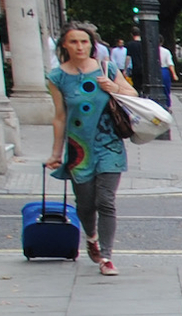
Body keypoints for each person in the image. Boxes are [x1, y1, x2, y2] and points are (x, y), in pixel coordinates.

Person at [46, 20, 132, 276]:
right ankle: (91, 238)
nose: (80, 46)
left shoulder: (107, 68)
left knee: (106, 201)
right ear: (64, 45)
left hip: (109, 144)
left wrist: (113, 87)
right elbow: (60, 116)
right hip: (78, 148)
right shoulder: (57, 77)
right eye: (73, 41)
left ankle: (106, 257)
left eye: (84, 42)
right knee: (85, 204)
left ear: (92, 45)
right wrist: (55, 153)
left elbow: (132, 94)